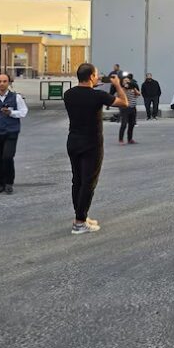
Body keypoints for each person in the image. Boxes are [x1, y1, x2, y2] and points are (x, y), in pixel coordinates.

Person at [63, 63, 128, 235]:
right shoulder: (98, 95)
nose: (98, 77)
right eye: (96, 75)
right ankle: (79, 223)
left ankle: (80, 216)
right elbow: (124, 102)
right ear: (91, 76)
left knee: (77, 180)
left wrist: (93, 86)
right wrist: (117, 85)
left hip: (73, 141)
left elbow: (84, 96)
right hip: (92, 144)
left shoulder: (68, 94)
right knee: (89, 183)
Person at [119, 75, 140, 144]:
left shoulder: (133, 88)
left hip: (133, 108)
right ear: (122, 82)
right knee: (124, 124)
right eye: (125, 80)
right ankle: (121, 139)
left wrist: (134, 89)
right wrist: (125, 87)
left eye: (128, 80)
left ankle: (130, 139)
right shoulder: (121, 89)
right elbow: (120, 95)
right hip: (125, 108)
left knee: (132, 124)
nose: (127, 82)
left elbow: (138, 94)